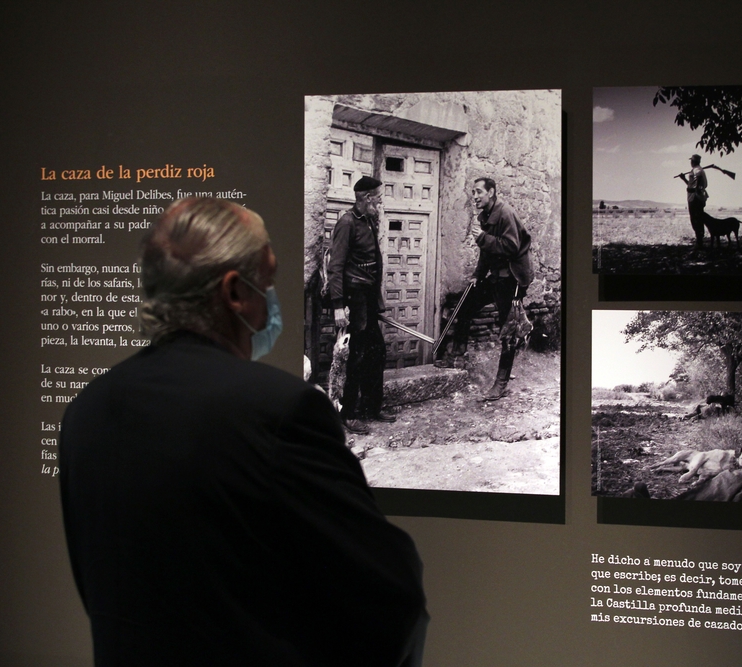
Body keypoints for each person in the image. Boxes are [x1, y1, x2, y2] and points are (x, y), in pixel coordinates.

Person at [59, 198, 428, 667]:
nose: (272, 300)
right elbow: (390, 595)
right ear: (235, 293)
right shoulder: (279, 409)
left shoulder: (85, 412)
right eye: (268, 280)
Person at [435, 177, 533, 401]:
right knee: (465, 305)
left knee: (507, 331)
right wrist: (477, 275)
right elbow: (486, 252)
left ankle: (500, 384)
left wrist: (483, 238)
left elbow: (511, 247)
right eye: (473, 192)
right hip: (495, 277)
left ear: (491, 192)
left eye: (479, 192)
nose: (475, 196)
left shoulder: (505, 213)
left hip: (513, 280)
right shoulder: (484, 216)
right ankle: (456, 357)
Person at [326, 175, 396, 434]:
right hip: (354, 299)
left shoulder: (368, 221)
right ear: (366, 199)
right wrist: (337, 305)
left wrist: (376, 301)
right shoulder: (346, 223)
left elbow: (373, 264)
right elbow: (336, 267)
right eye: (377, 197)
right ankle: (349, 413)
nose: (380, 202)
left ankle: (372, 406)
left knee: (376, 352)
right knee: (355, 356)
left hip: (367, 298)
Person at [678, 154, 708, 249]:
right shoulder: (695, 170)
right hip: (692, 196)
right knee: (695, 219)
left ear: (693, 162)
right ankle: (699, 240)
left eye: (692, 161)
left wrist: (697, 190)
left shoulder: (697, 170)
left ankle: (699, 242)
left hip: (695, 198)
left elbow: (698, 180)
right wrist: (684, 179)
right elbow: (691, 185)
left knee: (696, 219)